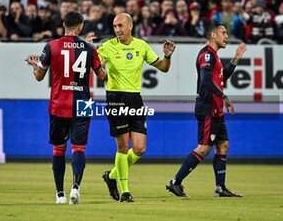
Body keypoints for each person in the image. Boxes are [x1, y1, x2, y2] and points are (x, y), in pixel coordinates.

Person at [25, 11, 106, 204]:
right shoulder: (89, 47)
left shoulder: (51, 46)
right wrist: (102, 65)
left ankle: (59, 194)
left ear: (63, 24)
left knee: (58, 149)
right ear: (80, 26)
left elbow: (39, 76)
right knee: (79, 147)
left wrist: (33, 65)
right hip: (83, 102)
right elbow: (101, 76)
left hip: (58, 102)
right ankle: (75, 189)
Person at [98, 13, 176, 202]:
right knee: (123, 147)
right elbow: (100, 73)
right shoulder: (107, 47)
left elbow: (163, 68)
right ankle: (125, 192)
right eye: (115, 26)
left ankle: (111, 176)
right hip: (115, 98)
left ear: (130, 26)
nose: (117, 30)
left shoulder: (141, 46)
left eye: (120, 26)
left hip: (135, 99)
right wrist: (98, 66)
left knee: (140, 148)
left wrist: (167, 56)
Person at [166, 23, 247, 197]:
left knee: (223, 145)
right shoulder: (206, 55)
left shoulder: (215, 56)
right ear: (213, 35)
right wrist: (224, 96)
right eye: (223, 33)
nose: (226, 36)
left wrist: (236, 59)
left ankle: (220, 188)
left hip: (216, 108)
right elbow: (205, 81)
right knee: (203, 148)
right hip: (208, 107)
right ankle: (175, 182)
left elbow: (221, 77)